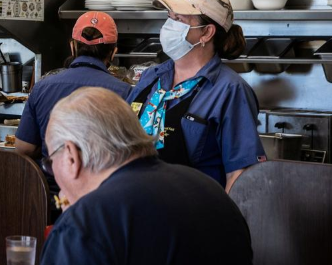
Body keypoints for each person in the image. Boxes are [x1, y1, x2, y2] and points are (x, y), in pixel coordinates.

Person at [40, 87, 254, 265]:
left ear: (71, 156)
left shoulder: (85, 224)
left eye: (50, 161)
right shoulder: (211, 190)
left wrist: (76, 218)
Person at [127, 0, 266, 192]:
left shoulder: (229, 90)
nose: (168, 26)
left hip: (191, 215)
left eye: (179, 20)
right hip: (133, 208)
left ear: (207, 32)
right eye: (169, 17)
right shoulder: (151, 77)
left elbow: (240, 175)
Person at [16, 12, 131, 193]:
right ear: (113, 52)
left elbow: (24, 148)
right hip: (101, 198)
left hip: (52, 197)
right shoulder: (126, 92)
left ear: (72, 47)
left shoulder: (42, 87)